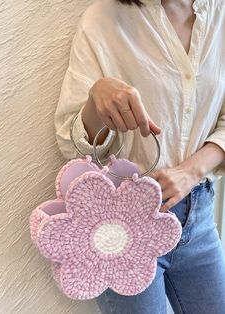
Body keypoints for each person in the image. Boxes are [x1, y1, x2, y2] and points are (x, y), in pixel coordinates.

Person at [54, 0, 225, 313]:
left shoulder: (220, 14)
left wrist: (190, 171)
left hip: (199, 215)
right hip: (121, 225)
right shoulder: (104, 19)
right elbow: (72, 144)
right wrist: (97, 99)